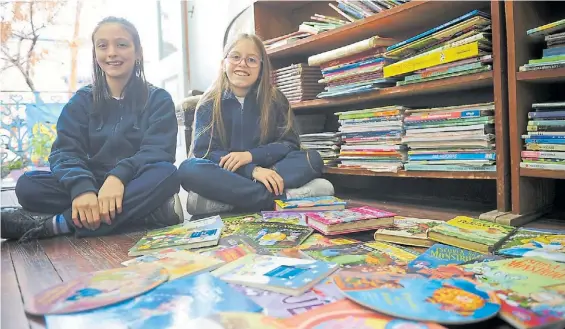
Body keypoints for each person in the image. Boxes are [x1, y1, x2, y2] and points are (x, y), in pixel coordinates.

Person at [1, 17, 183, 242]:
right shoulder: (82, 100)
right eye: (103, 45)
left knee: (166, 174)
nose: (112, 52)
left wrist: (118, 176)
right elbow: (64, 152)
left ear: (138, 53)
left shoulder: (158, 99)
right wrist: (81, 188)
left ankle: (60, 223)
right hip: (93, 181)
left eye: (122, 44)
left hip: (132, 181)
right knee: (28, 185)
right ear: (96, 54)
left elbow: (158, 151)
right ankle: (145, 213)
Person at [178, 33, 334, 216]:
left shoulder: (275, 99)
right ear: (224, 63)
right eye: (235, 57)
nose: (242, 64)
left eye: (251, 59)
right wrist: (251, 170)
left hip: (270, 170)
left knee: (312, 158)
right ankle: (281, 198)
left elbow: (289, 145)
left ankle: (228, 201)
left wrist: (251, 156)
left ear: (261, 67)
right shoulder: (208, 103)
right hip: (228, 175)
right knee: (188, 169)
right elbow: (205, 153)